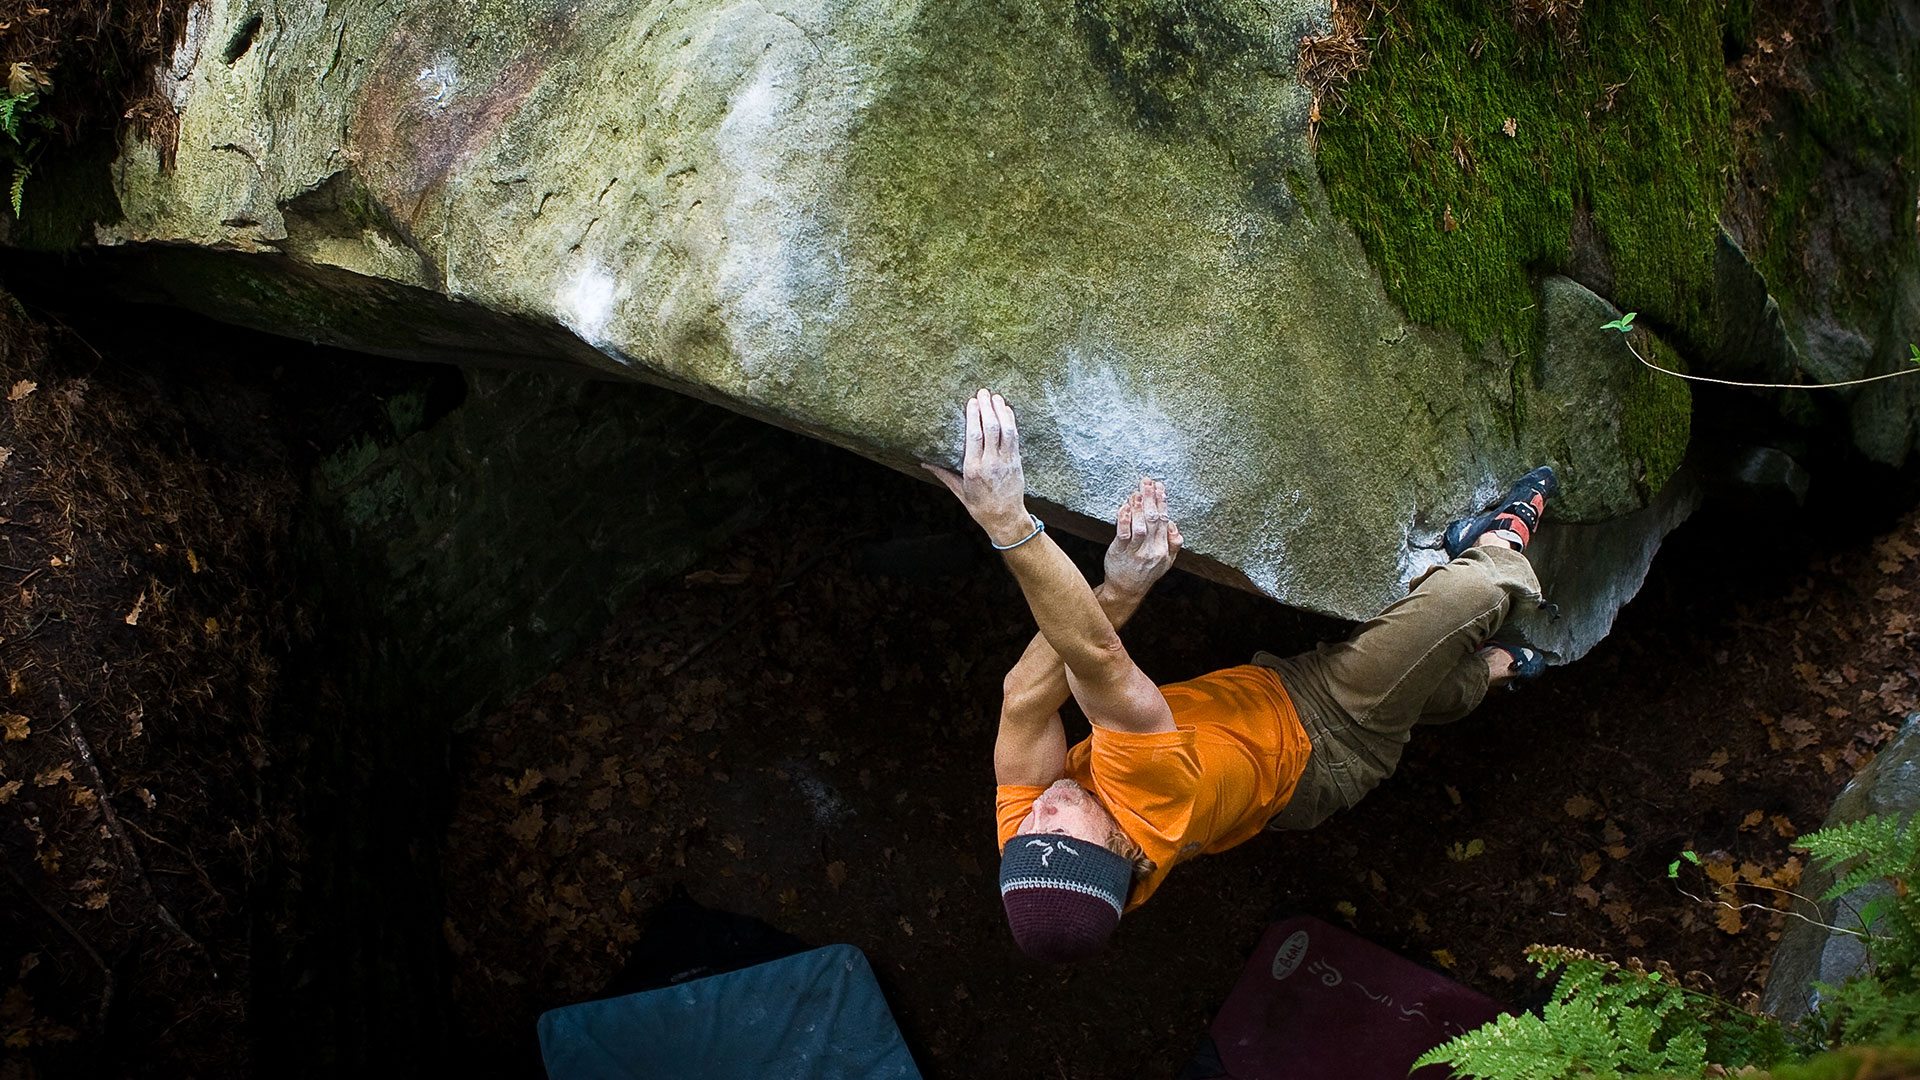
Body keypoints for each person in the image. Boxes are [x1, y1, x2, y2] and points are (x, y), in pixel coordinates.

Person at [925, 389, 1556, 963]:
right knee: (1468, 596)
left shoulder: (1036, 850)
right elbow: (1095, 659)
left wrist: (1119, 594)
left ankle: (1503, 669)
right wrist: (1011, 526)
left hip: (1257, 722)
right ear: (1119, 852)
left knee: (1424, 686)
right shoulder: (1152, 804)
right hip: (1334, 736)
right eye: (1056, 830)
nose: (1040, 813)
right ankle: (1498, 544)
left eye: (1025, 833)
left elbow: (1024, 699)